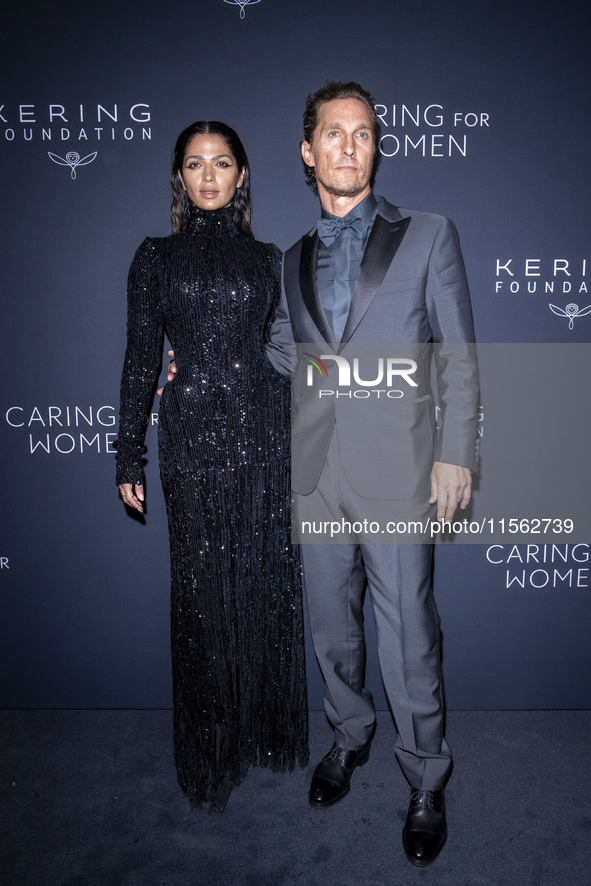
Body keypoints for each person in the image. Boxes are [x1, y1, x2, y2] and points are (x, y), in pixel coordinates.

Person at [265, 82, 479, 867]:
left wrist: (457, 449)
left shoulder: (426, 234)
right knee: (330, 629)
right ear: (308, 150)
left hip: (399, 467)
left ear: (374, 146)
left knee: (408, 636)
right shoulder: (289, 259)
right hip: (316, 470)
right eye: (332, 133)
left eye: (362, 133)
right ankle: (349, 737)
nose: (348, 146)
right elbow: (290, 355)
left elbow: (455, 350)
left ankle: (425, 779)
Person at [115, 121, 308, 812]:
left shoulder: (268, 260)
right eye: (194, 164)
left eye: (221, 163)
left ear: (241, 175)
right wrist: (127, 450)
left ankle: (257, 728)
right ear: (180, 177)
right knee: (199, 599)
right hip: (191, 439)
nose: (207, 176)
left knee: (260, 588)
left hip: (264, 435)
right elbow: (141, 359)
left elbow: (286, 354)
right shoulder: (155, 258)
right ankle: (209, 746)